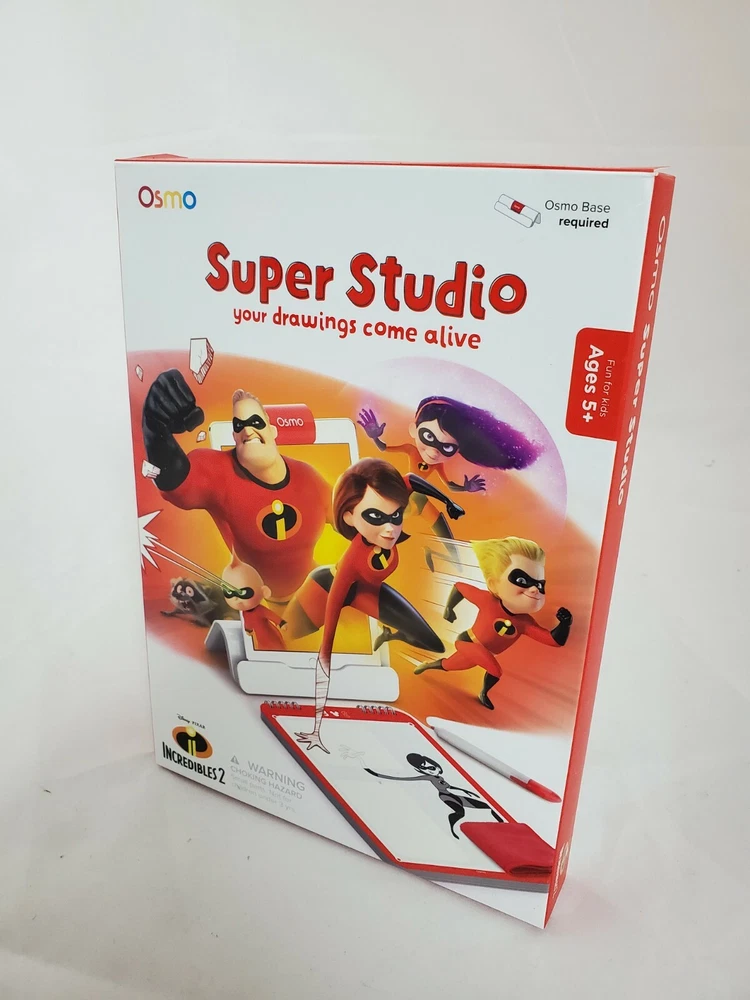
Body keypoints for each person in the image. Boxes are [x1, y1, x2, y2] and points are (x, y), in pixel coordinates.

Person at [292, 458, 464, 753]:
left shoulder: (391, 500)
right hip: (327, 589)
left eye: (396, 515)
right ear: (349, 517)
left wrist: (449, 503)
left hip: (369, 592)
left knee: (431, 643)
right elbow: (325, 656)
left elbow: (411, 480)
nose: (390, 529)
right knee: (290, 633)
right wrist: (316, 730)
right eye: (375, 517)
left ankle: (388, 634)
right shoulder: (349, 566)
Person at [142, 370, 332, 603]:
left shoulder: (309, 477)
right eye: (239, 425)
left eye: (255, 422)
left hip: (318, 591)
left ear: (272, 430)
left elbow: (348, 515)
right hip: (260, 602)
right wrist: (155, 430)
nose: (247, 430)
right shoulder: (218, 472)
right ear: (234, 436)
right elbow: (178, 482)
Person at [357, 396, 540, 567]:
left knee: (448, 541)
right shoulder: (411, 450)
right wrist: (374, 436)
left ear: (458, 449)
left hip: (422, 501)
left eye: (447, 447)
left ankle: (442, 558)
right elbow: (384, 448)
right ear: (414, 430)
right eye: (428, 437)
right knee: (381, 531)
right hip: (404, 497)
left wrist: (466, 487)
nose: (434, 451)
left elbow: (449, 485)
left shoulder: (438, 465)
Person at [415, 536, 572, 709]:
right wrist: (449, 609)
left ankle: (426, 665)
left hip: (484, 653)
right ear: (494, 584)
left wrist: (564, 624)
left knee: (449, 665)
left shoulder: (525, 623)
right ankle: (483, 694)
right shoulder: (487, 601)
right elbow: (459, 587)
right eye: (522, 580)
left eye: (540, 585)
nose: (535, 589)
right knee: (495, 671)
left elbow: (553, 640)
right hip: (468, 642)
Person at [365, 754, 504, 839]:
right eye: (426, 769)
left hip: (454, 794)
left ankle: (503, 826)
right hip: (445, 796)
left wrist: (466, 791)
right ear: (420, 770)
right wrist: (376, 774)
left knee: (486, 806)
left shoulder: (440, 777)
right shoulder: (429, 777)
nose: (431, 770)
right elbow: (404, 778)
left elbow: (449, 786)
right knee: (460, 812)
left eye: (432, 767)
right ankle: (453, 829)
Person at [221, 555, 285, 652]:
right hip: (260, 639)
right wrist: (248, 630)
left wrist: (281, 623)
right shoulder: (244, 612)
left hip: (271, 636)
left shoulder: (260, 610)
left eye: (243, 593)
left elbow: (271, 615)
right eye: (229, 593)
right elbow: (248, 622)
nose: (236, 599)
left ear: (264, 591)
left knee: (276, 648)